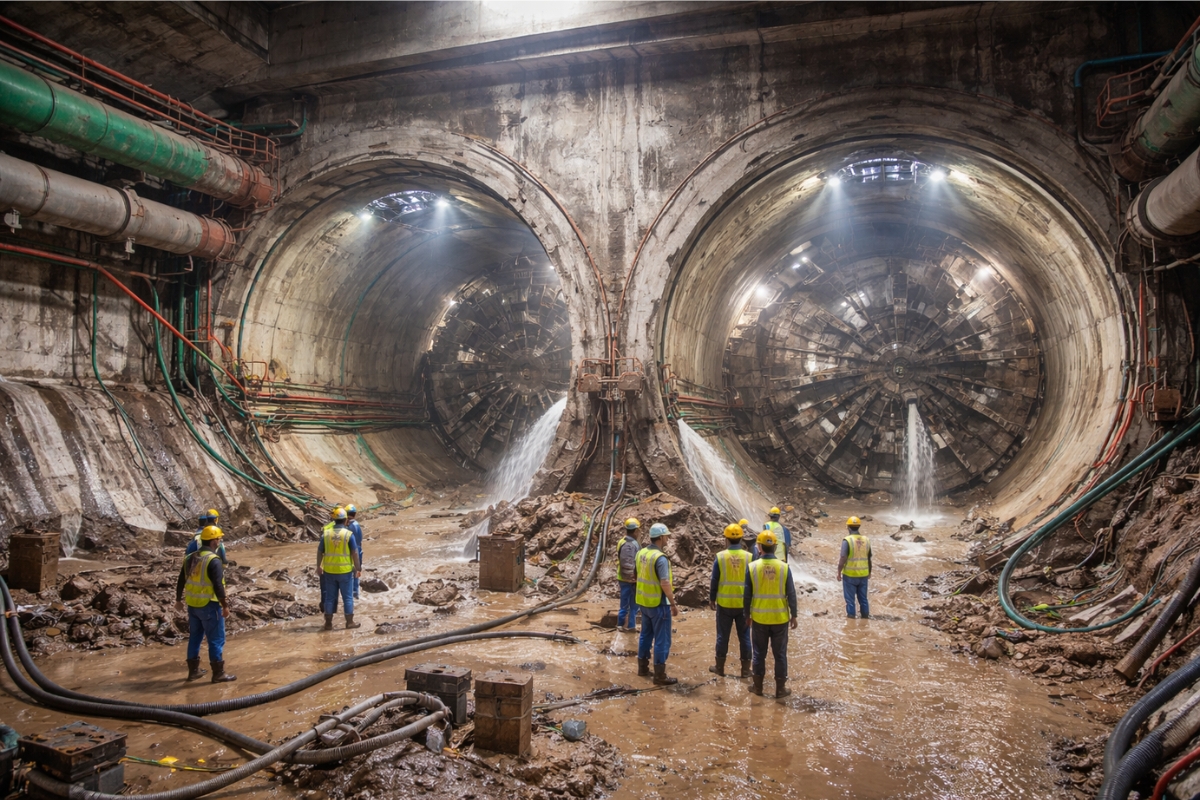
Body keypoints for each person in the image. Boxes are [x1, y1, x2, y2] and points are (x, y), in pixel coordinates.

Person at [175, 525, 236, 683]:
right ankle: (218, 674)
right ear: (214, 541)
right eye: (219, 539)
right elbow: (218, 585)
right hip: (210, 605)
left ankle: (193, 672)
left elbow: (181, 580)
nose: (219, 542)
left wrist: (178, 600)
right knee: (216, 639)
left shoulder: (190, 557)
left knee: (195, 637)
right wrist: (225, 606)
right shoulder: (213, 560)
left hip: (193, 605)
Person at [744, 530, 798, 698]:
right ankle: (780, 689)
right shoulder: (784, 567)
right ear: (775, 547)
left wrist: (747, 615)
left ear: (759, 547)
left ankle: (758, 687)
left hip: (759, 619)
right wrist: (794, 615)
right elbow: (791, 593)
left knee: (759, 654)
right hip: (780, 619)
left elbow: (747, 595)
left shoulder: (752, 567)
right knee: (780, 655)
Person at [635, 522, 680, 686]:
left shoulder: (641, 553)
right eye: (666, 536)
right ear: (660, 537)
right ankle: (660, 675)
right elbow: (665, 583)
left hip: (644, 602)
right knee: (662, 640)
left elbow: (636, 574)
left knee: (645, 636)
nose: (667, 539)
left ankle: (643, 668)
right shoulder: (660, 558)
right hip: (659, 604)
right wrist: (673, 603)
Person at [708, 523, 752, 678]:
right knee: (745, 637)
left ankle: (720, 668)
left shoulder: (720, 557)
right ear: (741, 539)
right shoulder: (749, 557)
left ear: (726, 539)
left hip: (724, 603)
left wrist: (712, 598)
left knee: (722, 636)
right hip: (743, 604)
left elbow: (714, 579)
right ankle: (745, 670)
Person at [318, 507, 362, 631]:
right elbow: (355, 553)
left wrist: (318, 566)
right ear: (345, 520)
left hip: (329, 571)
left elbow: (320, 551)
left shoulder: (326, 534)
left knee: (329, 598)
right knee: (347, 598)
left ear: (334, 519)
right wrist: (358, 568)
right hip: (345, 572)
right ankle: (349, 622)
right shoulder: (348, 534)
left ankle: (328, 623)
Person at [837, 515, 872, 619]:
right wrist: (869, 572)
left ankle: (851, 619)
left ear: (848, 527)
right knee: (863, 599)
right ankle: (865, 618)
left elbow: (843, 557)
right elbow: (869, 558)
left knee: (850, 600)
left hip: (850, 575)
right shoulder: (866, 540)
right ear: (859, 527)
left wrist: (839, 572)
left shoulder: (847, 540)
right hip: (863, 575)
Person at [616, 518, 641, 632]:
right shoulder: (633, 544)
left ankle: (620, 625)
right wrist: (635, 578)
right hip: (632, 579)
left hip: (622, 577)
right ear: (635, 531)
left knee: (624, 604)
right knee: (633, 605)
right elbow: (632, 563)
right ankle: (631, 626)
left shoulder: (621, 541)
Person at [346, 503, 364, 599]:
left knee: (350, 574)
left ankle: (352, 595)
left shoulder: (349, 527)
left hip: (351, 552)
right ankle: (356, 594)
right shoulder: (357, 525)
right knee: (356, 572)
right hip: (359, 550)